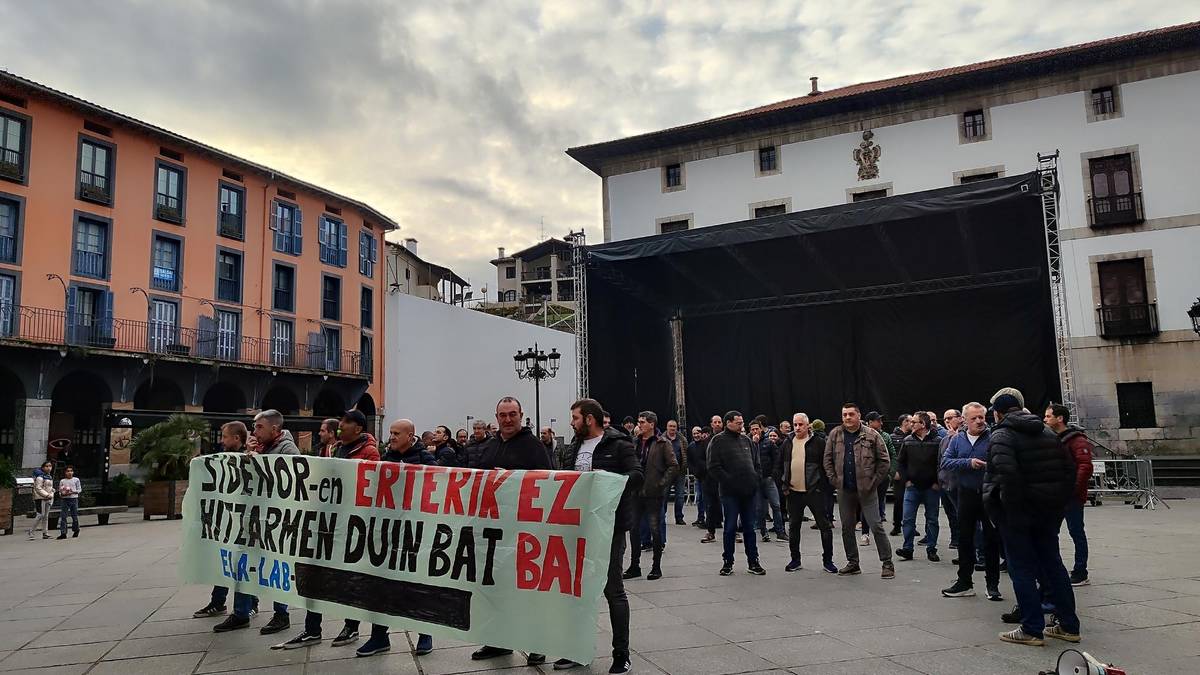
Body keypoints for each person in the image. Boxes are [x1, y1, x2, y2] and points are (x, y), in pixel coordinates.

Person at [277, 410, 380, 652]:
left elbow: (368, 486)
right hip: (326, 521)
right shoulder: (333, 449)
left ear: (358, 427)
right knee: (314, 575)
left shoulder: (369, 452)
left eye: (345, 423)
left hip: (350, 524)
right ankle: (312, 628)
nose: (340, 427)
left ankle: (351, 626)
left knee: (347, 577)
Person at [984, 388, 1081, 646]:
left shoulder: (1002, 435)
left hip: (1019, 514)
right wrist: (1058, 502)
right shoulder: (1047, 432)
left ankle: (1031, 628)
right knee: (1053, 565)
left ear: (998, 413)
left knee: (1022, 569)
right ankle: (1069, 625)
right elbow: (1068, 470)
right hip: (1048, 512)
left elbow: (1006, 476)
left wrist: (1006, 510)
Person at [553, 398, 641, 673]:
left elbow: (637, 475)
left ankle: (621, 654)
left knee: (613, 590)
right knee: (577, 591)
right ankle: (578, 650)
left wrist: (609, 479)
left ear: (589, 419)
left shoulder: (618, 443)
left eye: (575, 418)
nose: (572, 422)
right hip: (578, 527)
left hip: (609, 527)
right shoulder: (573, 448)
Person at [471, 397, 550, 666]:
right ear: (496, 417)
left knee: (528, 591)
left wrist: (514, 479)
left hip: (524, 529)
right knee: (496, 589)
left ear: (521, 415)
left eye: (512, 414)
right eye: (502, 415)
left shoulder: (534, 447)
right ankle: (498, 641)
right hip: (494, 530)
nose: (507, 419)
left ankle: (537, 644)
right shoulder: (490, 446)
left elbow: (548, 484)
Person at [219, 412, 297, 635]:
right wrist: (249, 456)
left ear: (274, 429)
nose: (254, 432)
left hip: (275, 519)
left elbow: (287, 483)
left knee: (275, 566)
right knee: (242, 562)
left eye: (260, 427)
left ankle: (281, 614)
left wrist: (259, 460)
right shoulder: (258, 447)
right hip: (253, 515)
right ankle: (241, 612)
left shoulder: (288, 450)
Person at [374, 418, 437, 656]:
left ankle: (424, 634)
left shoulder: (426, 460)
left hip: (416, 532)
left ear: (411, 436)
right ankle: (379, 636)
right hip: (389, 530)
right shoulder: (386, 458)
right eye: (391, 432)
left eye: (396, 433)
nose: (391, 437)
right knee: (382, 584)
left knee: (417, 585)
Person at [824, 403, 894, 579]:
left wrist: (874, 482)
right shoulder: (835, 435)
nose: (847, 417)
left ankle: (887, 563)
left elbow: (884, 461)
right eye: (844, 414)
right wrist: (834, 479)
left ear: (859, 415)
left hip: (867, 490)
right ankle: (853, 563)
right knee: (847, 528)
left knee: (876, 526)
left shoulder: (871, 434)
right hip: (844, 491)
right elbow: (827, 460)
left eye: (851, 414)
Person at [940, 403, 1001, 600]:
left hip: (988, 494)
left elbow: (1001, 462)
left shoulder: (993, 438)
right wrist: (968, 462)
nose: (979, 421)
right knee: (965, 538)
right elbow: (946, 461)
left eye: (981, 417)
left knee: (991, 540)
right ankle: (964, 582)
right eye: (974, 418)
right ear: (964, 420)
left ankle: (993, 585)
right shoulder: (958, 439)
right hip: (965, 494)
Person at [199, 422, 253, 623]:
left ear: (236, 439)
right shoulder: (224, 458)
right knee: (224, 561)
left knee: (243, 565)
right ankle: (218, 601)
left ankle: (246, 607)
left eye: (225, 437)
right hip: (228, 519)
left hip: (244, 520)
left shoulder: (251, 457)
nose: (222, 441)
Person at [707, 411, 766, 576]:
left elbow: (757, 463)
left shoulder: (746, 440)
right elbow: (713, 467)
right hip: (729, 493)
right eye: (739, 423)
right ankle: (728, 562)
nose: (742, 425)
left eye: (742, 422)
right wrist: (729, 481)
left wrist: (756, 480)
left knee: (749, 528)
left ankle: (753, 561)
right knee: (730, 527)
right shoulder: (717, 441)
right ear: (728, 423)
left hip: (749, 492)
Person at [779, 413, 836, 573]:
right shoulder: (787, 442)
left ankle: (828, 561)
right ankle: (795, 560)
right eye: (795, 424)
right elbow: (779, 465)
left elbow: (826, 466)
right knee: (794, 527)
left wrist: (822, 487)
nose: (797, 427)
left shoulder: (818, 442)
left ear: (807, 425)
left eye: (800, 425)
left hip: (814, 492)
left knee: (825, 527)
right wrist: (783, 483)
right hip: (793, 492)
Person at [624, 412, 678, 581]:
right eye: (639, 422)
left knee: (655, 529)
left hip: (653, 492)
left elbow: (673, 465)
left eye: (642, 422)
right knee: (634, 530)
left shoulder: (662, 443)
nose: (639, 425)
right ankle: (634, 565)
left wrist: (662, 484)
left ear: (652, 424)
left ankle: (656, 566)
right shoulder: (634, 442)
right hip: (636, 491)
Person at [1045, 403, 1093, 587]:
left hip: (1071, 496)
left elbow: (1085, 465)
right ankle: (1054, 568)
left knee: (1076, 532)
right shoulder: (1052, 438)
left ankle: (1081, 571)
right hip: (1056, 493)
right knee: (1051, 533)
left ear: (1060, 418)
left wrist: (1073, 488)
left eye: (1049, 416)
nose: (1045, 419)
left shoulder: (1076, 440)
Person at [895, 412, 943, 562]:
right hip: (912, 487)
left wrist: (937, 482)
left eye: (914, 422)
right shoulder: (908, 441)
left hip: (931, 487)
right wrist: (906, 480)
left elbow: (941, 463)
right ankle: (908, 549)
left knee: (932, 519)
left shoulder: (938, 441)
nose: (911, 424)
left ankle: (931, 549)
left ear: (923, 424)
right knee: (908, 518)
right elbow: (901, 462)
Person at [861, 412, 894, 545]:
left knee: (879, 504)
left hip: (881, 477)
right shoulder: (861, 435)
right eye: (878, 420)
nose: (881, 423)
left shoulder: (885, 436)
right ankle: (865, 533)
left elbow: (892, 455)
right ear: (869, 422)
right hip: (865, 477)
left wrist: (890, 473)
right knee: (866, 504)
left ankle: (878, 533)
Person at [750, 423, 785, 542]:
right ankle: (763, 532)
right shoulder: (749, 443)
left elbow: (777, 459)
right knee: (760, 509)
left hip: (768, 478)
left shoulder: (768, 442)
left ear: (761, 429)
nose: (755, 431)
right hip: (756, 480)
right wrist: (754, 444)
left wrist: (774, 474)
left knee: (776, 505)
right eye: (753, 429)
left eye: (757, 429)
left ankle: (780, 531)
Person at [938, 409, 963, 550]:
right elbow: (940, 462)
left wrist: (956, 438)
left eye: (950, 418)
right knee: (951, 514)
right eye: (945, 419)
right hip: (946, 484)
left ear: (960, 418)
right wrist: (939, 479)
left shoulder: (963, 436)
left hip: (959, 484)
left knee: (963, 516)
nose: (947, 421)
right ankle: (956, 539)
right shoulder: (944, 439)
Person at [699, 416, 725, 543]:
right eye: (715, 422)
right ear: (711, 424)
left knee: (729, 505)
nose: (717, 424)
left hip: (725, 478)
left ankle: (735, 532)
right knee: (710, 505)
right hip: (710, 479)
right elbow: (701, 460)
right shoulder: (706, 441)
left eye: (719, 422)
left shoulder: (728, 439)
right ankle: (710, 531)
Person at [888, 414, 912, 535]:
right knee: (899, 500)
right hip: (899, 473)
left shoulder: (913, 436)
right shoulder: (892, 437)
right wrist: (894, 471)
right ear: (904, 422)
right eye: (910, 421)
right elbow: (890, 456)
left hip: (912, 472)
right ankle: (897, 525)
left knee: (911, 500)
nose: (912, 423)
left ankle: (910, 525)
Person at [663, 420, 688, 525]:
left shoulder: (682, 440)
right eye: (670, 426)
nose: (672, 428)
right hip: (666, 472)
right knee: (664, 495)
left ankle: (679, 517)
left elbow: (686, 454)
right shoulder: (662, 439)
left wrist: (685, 466)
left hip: (680, 472)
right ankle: (661, 516)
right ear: (667, 427)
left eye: (674, 426)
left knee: (680, 496)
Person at [686, 426, 708, 527]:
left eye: (698, 433)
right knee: (699, 498)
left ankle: (709, 518)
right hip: (698, 476)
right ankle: (700, 518)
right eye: (694, 433)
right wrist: (694, 471)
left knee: (706, 498)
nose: (696, 435)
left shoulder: (706, 445)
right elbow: (689, 461)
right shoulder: (690, 447)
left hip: (707, 476)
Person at [28, 461, 55, 540]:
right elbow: (38, 488)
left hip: (49, 498)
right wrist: (46, 495)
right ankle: (31, 531)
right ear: (43, 467)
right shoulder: (40, 477)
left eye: (50, 466)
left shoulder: (49, 477)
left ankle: (45, 533)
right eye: (46, 466)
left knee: (46, 516)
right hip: (40, 498)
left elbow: (49, 487)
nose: (49, 468)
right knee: (40, 515)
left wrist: (52, 492)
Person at [55, 465, 81, 540]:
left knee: (74, 516)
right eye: (68, 471)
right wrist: (62, 494)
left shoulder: (76, 480)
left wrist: (73, 492)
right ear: (65, 472)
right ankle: (63, 533)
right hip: (65, 499)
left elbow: (79, 490)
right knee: (63, 516)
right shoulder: (62, 481)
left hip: (73, 499)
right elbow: (60, 491)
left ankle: (76, 529)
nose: (69, 473)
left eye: (71, 471)